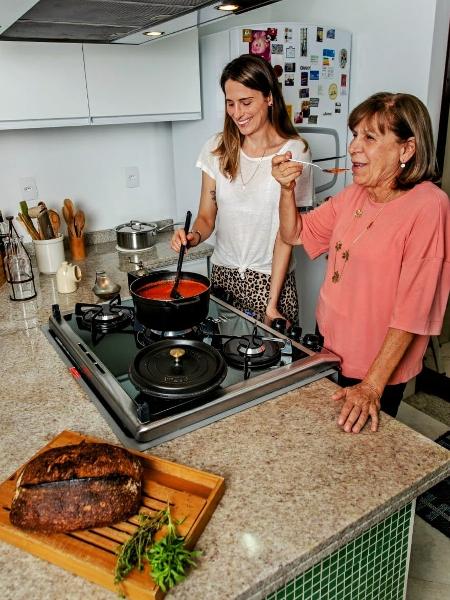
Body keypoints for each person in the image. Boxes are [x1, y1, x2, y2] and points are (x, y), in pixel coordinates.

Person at [272, 92, 450, 433]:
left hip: (376, 365)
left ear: (406, 149)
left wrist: (372, 385)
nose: (354, 147)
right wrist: (286, 189)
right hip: (329, 346)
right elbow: (295, 233)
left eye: (369, 137)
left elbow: (413, 311)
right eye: (355, 135)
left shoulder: (429, 206)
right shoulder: (355, 193)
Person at [171, 54, 313, 325]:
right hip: (223, 276)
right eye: (230, 103)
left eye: (246, 102)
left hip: (272, 281)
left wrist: (272, 302)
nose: (237, 113)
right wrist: (192, 236)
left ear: (269, 98)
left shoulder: (294, 152)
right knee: (225, 363)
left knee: (275, 365)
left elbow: (290, 232)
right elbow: (206, 217)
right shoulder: (217, 148)